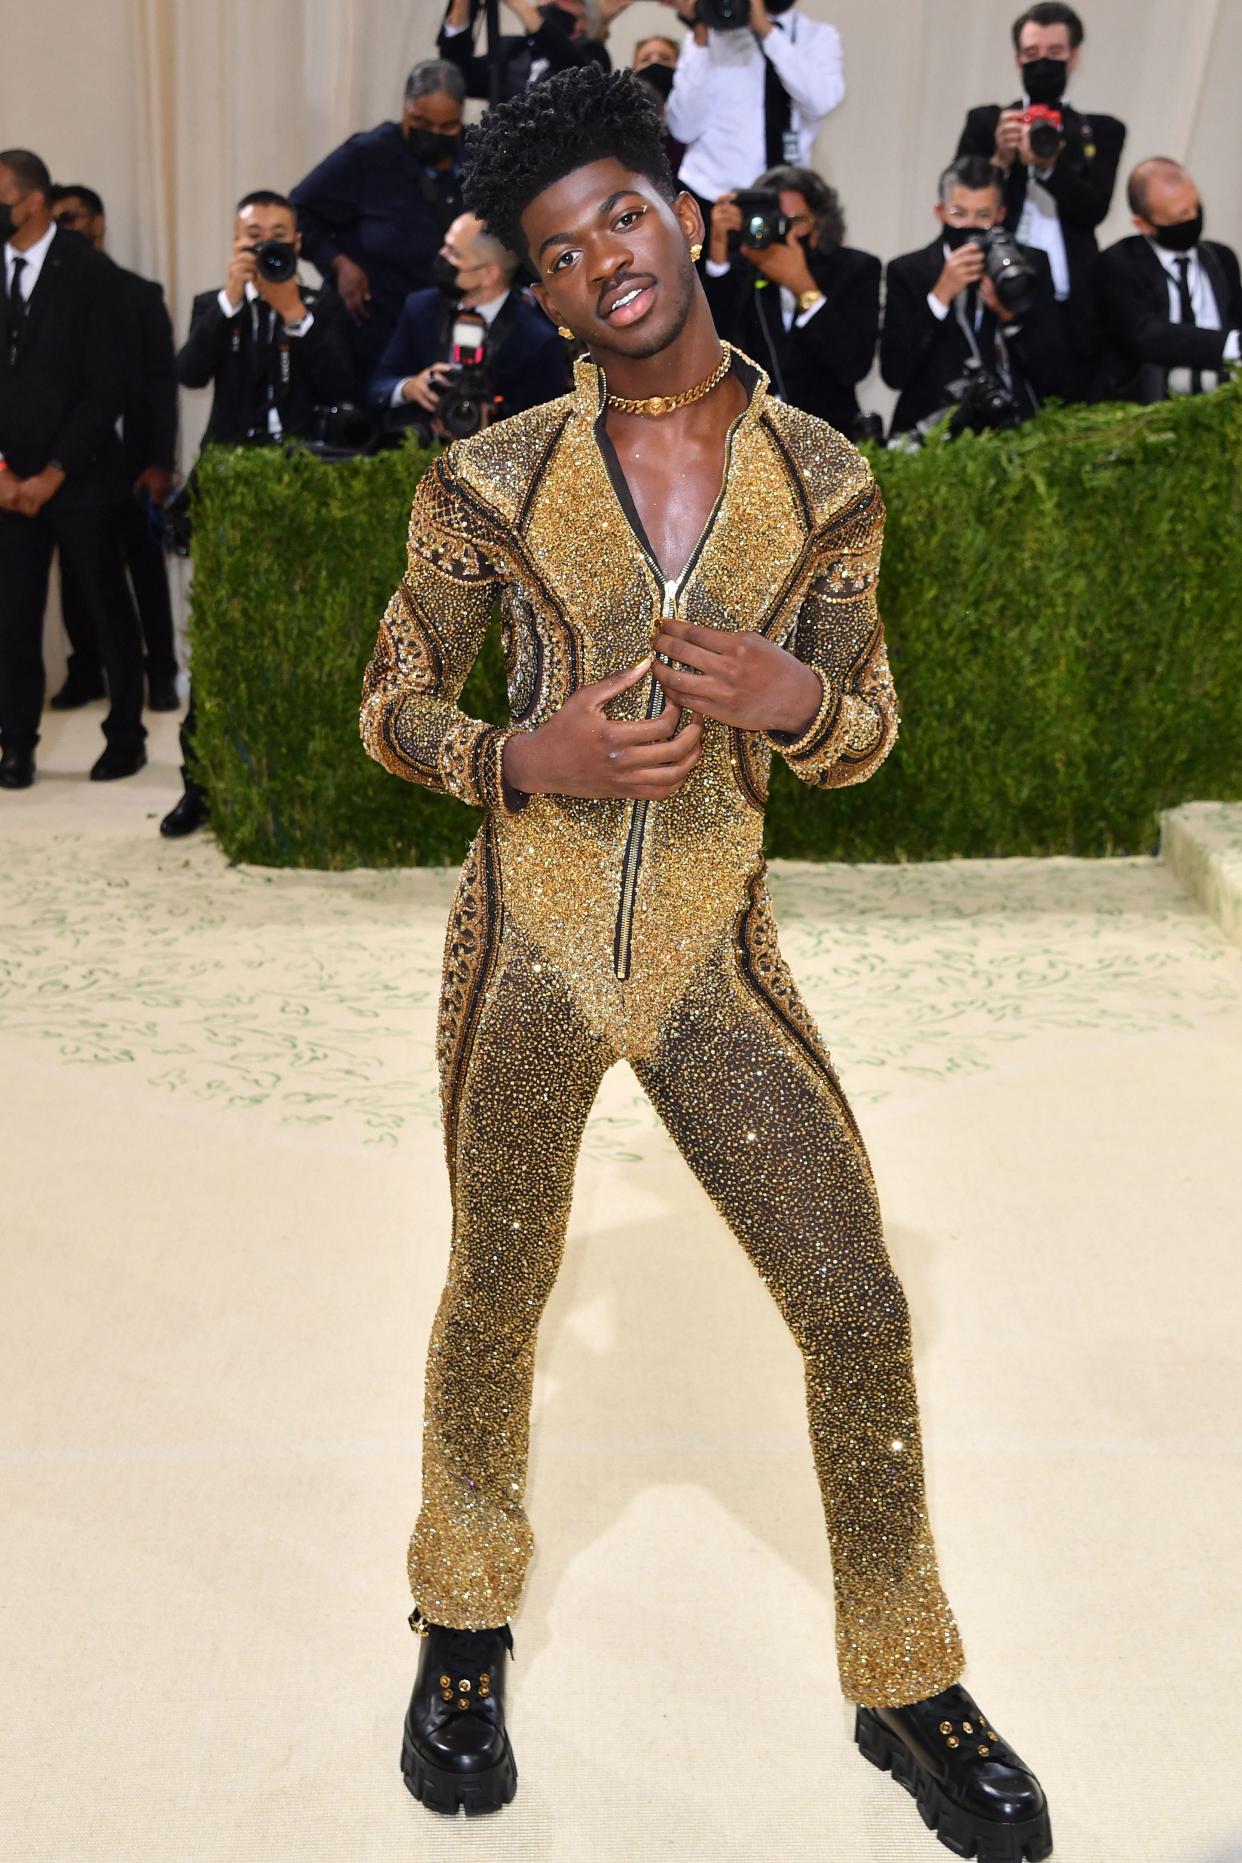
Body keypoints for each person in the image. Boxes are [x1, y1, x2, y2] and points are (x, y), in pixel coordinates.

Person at [359, 62, 1052, 1859]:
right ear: (538, 286)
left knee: (854, 1303)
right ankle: (461, 1619)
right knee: (493, 1291)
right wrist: (527, 754)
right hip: (521, 946)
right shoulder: (486, 475)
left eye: (624, 218)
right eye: (559, 251)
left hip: (710, 960)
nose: (604, 263)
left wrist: (805, 699)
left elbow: (870, 720)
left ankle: (904, 1673)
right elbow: (394, 701)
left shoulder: (826, 480)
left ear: (690, 214)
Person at [166, 189, 353, 838]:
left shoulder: (323, 307)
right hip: (229, 488)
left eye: (279, 234)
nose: (268, 244)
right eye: (254, 236)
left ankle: (287, 783)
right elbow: (189, 372)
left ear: (298, 243)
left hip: (305, 491)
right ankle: (199, 786)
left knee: (297, 640)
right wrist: (230, 301)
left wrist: (293, 313)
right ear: (236, 241)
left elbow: (342, 388)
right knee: (217, 639)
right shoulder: (212, 306)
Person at [0, 149, 145, 790]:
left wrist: (55, 470)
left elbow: (107, 385)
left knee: (107, 610)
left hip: (81, 478)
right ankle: (16, 745)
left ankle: (127, 737)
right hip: (7, 484)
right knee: (13, 617)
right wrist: (3, 473)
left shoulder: (91, 273)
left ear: (30, 200)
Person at [48, 184, 180, 714]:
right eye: (56, 219)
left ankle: (163, 673)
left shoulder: (138, 293)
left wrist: (159, 461)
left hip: (133, 462)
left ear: (97, 223)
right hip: (73, 464)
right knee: (78, 577)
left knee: (145, 573)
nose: (65, 228)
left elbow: (160, 385)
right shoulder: (42, 300)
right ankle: (86, 671)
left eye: (72, 218)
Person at [955, 2, 1125, 393]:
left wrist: (1049, 165)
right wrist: (1000, 159)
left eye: (1055, 54)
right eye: (1032, 55)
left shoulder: (1099, 131)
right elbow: (961, 205)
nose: (1042, 64)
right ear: (1017, 59)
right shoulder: (988, 122)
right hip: (996, 291)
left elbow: (1093, 209)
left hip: (1072, 302)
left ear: (1074, 57)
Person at [290, 62, 468, 393]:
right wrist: (338, 263)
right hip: (376, 329)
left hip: (451, 328)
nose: (433, 134)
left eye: (447, 127)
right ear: (405, 110)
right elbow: (298, 211)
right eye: (421, 122)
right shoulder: (368, 155)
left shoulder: (475, 155)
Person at [881, 156, 1068, 437]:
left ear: (1000, 215)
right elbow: (894, 373)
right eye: (959, 213)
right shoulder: (909, 271)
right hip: (932, 430)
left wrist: (1010, 315)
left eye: (983, 216)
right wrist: (940, 296)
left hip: (1012, 428)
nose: (970, 225)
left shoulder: (1029, 266)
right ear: (940, 212)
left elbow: (1055, 374)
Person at [704, 164, 879, 434]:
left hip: (828, 436)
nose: (783, 230)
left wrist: (804, 289)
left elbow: (853, 366)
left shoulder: (855, 269)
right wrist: (717, 253)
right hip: (749, 438)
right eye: (774, 219)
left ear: (820, 225)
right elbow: (712, 346)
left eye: (796, 221)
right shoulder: (741, 271)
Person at [368, 212, 568, 423]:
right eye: (445, 245)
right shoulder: (421, 308)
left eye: (454, 254)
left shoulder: (536, 340)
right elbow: (377, 387)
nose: (442, 256)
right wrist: (409, 388)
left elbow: (545, 430)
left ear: (489, 274)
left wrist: (489, 430)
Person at [661, 0, 844, 230]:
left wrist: (767, 32)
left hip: (786, 201)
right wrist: (700, 33)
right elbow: (683, 128)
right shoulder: (710, 37)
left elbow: (821, 102)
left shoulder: (818, 37)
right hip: (710, 198)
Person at [1094, 157, 1242, 403]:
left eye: (1196, 207)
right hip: (1150, 402)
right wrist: (1229, 345)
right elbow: (1146, 336)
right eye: (1180, 216)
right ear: (1143, 224)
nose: (1193, 218)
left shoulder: (1220, 257)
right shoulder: (1119, 263)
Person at [438, 0, 619, 100]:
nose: (546, 2)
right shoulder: (512, 50)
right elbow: (459, 73)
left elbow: (575, 72)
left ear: (583, 22)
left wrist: (518, 5)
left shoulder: (594, 54)